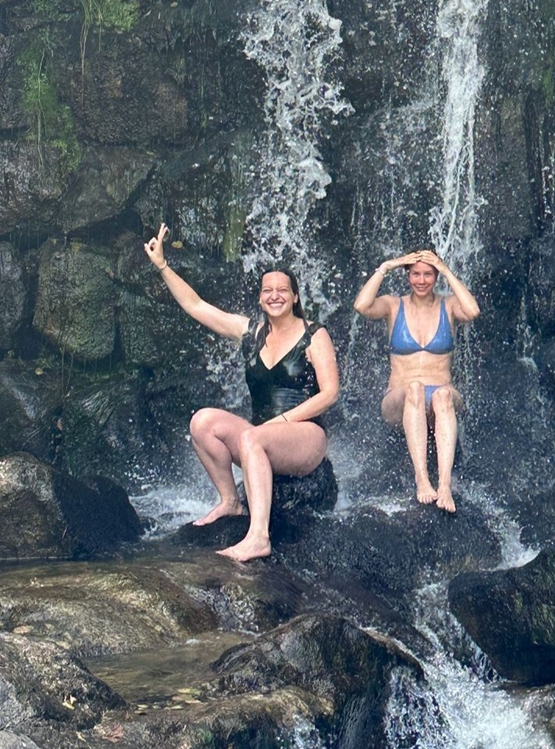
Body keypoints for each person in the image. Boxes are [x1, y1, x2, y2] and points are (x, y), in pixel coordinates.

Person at [143, 224, 339, 561]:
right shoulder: (251, 332)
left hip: (306, 435)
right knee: (202, 422)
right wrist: (162, 266)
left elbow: (330, 393)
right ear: (260, 298)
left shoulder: (314, 334)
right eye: (267, 290)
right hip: (261, 438)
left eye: (283, 290)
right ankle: (231, 502)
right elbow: (197, 306)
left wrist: (284, 421)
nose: (275, 296)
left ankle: (258, 536)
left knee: (253, 438)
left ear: (295, 297)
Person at [353, 249, 480, 513]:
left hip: (440, 396)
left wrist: (446, 269)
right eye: (415, 274)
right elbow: (362, 306)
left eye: (428, 274)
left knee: (443, 394)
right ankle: (422, 478)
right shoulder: (393, 305)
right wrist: (388, 265)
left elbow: (472, 310)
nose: (421, 281)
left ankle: (444, 485)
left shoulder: (448, 305)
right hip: (400, 397)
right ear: (408, 276)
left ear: (436, 277)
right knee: (415, 388)